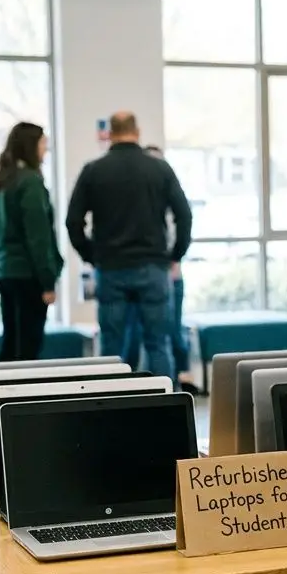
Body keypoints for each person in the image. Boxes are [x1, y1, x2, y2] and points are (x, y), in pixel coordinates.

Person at [66, 112, 193, 385]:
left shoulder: (93, 171)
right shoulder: (159, 169)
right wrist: (174, 255)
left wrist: (91, 255)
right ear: (137, 132)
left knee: (111, 345)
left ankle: (112, 407)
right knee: (158, 343)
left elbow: (73, 222)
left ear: (110, 133)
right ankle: (164, 408)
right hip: (153, 268)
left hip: (111, 269)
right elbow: (184, 215)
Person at [120, 144, 196, 391]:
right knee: (138, 337)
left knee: (169, 335)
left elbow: (182, 226)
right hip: (153, 275)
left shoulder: (169, 202)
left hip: (170, 275)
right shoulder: (142, 207)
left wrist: (174, 258)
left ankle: (174, 386)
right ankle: (132, 389)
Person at [0, 122, 63, 360]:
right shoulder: (29, 182)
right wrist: (47, 281)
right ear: (30, 146)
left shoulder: (2, 180)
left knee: (12, 344)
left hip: (4, 272)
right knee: (27, 350)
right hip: (27, 275)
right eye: (43, 143)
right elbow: (38, 236)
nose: (45, 149)